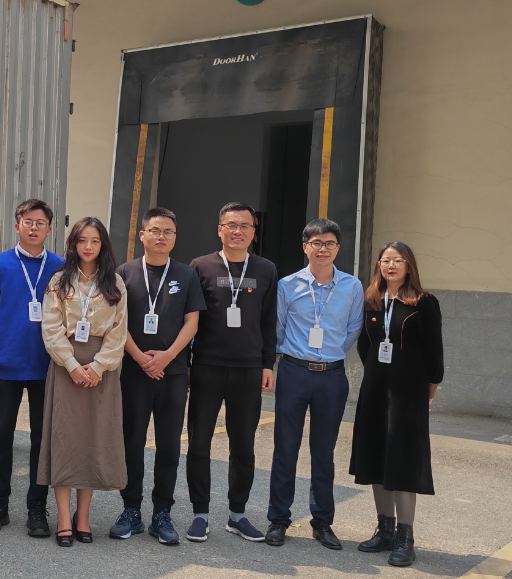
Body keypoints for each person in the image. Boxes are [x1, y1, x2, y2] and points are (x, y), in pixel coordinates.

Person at [266, 219, 364, 550]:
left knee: (324, 452)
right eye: (317, 242)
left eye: (330, 243)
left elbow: (352, 330)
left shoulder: (352, 286)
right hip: (293, 371)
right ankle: (279, 520)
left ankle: (322, 522)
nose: (323, 249)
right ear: (305, 246)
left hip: (332, 376)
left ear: (338, 248)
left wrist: (328, 355)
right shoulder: (287, 285)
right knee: (285, 448)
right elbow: (279, 328)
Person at [110, 207, 206, 544]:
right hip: (135, 373)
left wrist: (166, 356)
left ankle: (162, 512)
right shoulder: (124, 273)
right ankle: (131, 510)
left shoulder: (186, 274)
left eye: (168, 231)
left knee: (168, 445)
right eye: (155, 230)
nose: (161, 236)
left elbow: (192, 322)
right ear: (143, 235)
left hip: (173, 372)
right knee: (132, 441)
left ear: (175, 238)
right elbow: (116, 322)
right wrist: (140, 357)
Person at [185, 202, 278, 543]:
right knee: (199, 443)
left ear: (254, 232)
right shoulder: (200, 266)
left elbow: (269, 320)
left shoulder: (266, 269)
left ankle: (237, 514)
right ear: (219, 229)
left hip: (248, 369)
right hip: (207, 365)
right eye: (231, 225)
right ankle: (200, 514)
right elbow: (190, 318)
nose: (238, 231)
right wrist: (188, 363)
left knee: (243, 446)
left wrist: (267, 363)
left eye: (245, 226)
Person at [0, 199, 64, 537]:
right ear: (17, 226)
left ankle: (37, 508)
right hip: (6, 366)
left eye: (40, 223)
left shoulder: (60, 267)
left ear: (49, 229)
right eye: (28, 222)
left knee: (42, 440)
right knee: (1, 437)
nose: (33, 228)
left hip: (47, 367)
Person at [349, 242, 443, 567]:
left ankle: (405, 537)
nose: (391, 265)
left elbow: (434, 353)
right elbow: (364, 346)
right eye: (386, 260)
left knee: (404, 461)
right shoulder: (371, 300)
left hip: (409, 393)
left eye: (398, 260)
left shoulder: (423, 302)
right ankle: (385, 529)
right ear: (378, 265)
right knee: (376, 456)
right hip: (375, 390)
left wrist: (429, 390)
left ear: (408, 265)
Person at [38, 217, 128, 547]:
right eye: (82, 240)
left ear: (103, 245)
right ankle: (63, 517)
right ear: (73, 244)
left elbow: (119, 331)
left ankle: (83, 516)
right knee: (65, 441)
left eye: (95, 241)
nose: (88, 246)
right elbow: (51, 328)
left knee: (91, 440)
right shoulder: (60, 280)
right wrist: (73, 365)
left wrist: (98, 367)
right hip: (66, 365)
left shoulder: (115, 282)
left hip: (102, 369)